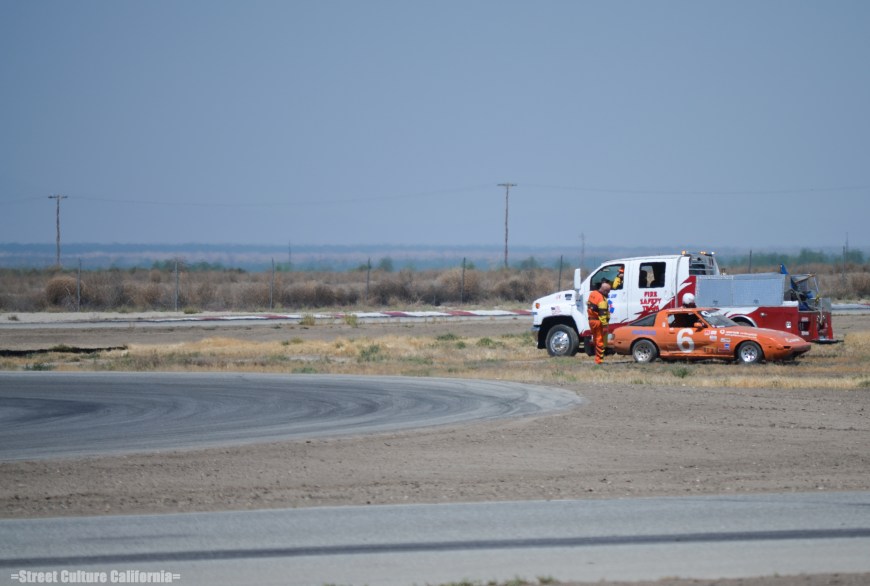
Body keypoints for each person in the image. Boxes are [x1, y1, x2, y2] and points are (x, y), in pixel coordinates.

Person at [587, 279, 612, 365]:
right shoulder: (601, 300)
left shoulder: (593, 293)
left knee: (596, 340)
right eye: (608, 292)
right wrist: (605, 326)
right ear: (604, 290)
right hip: (598, 322)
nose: (608, 294)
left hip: (591, 320)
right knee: (600, 341)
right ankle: (599, 361)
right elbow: (602, 314)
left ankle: (597, 359)